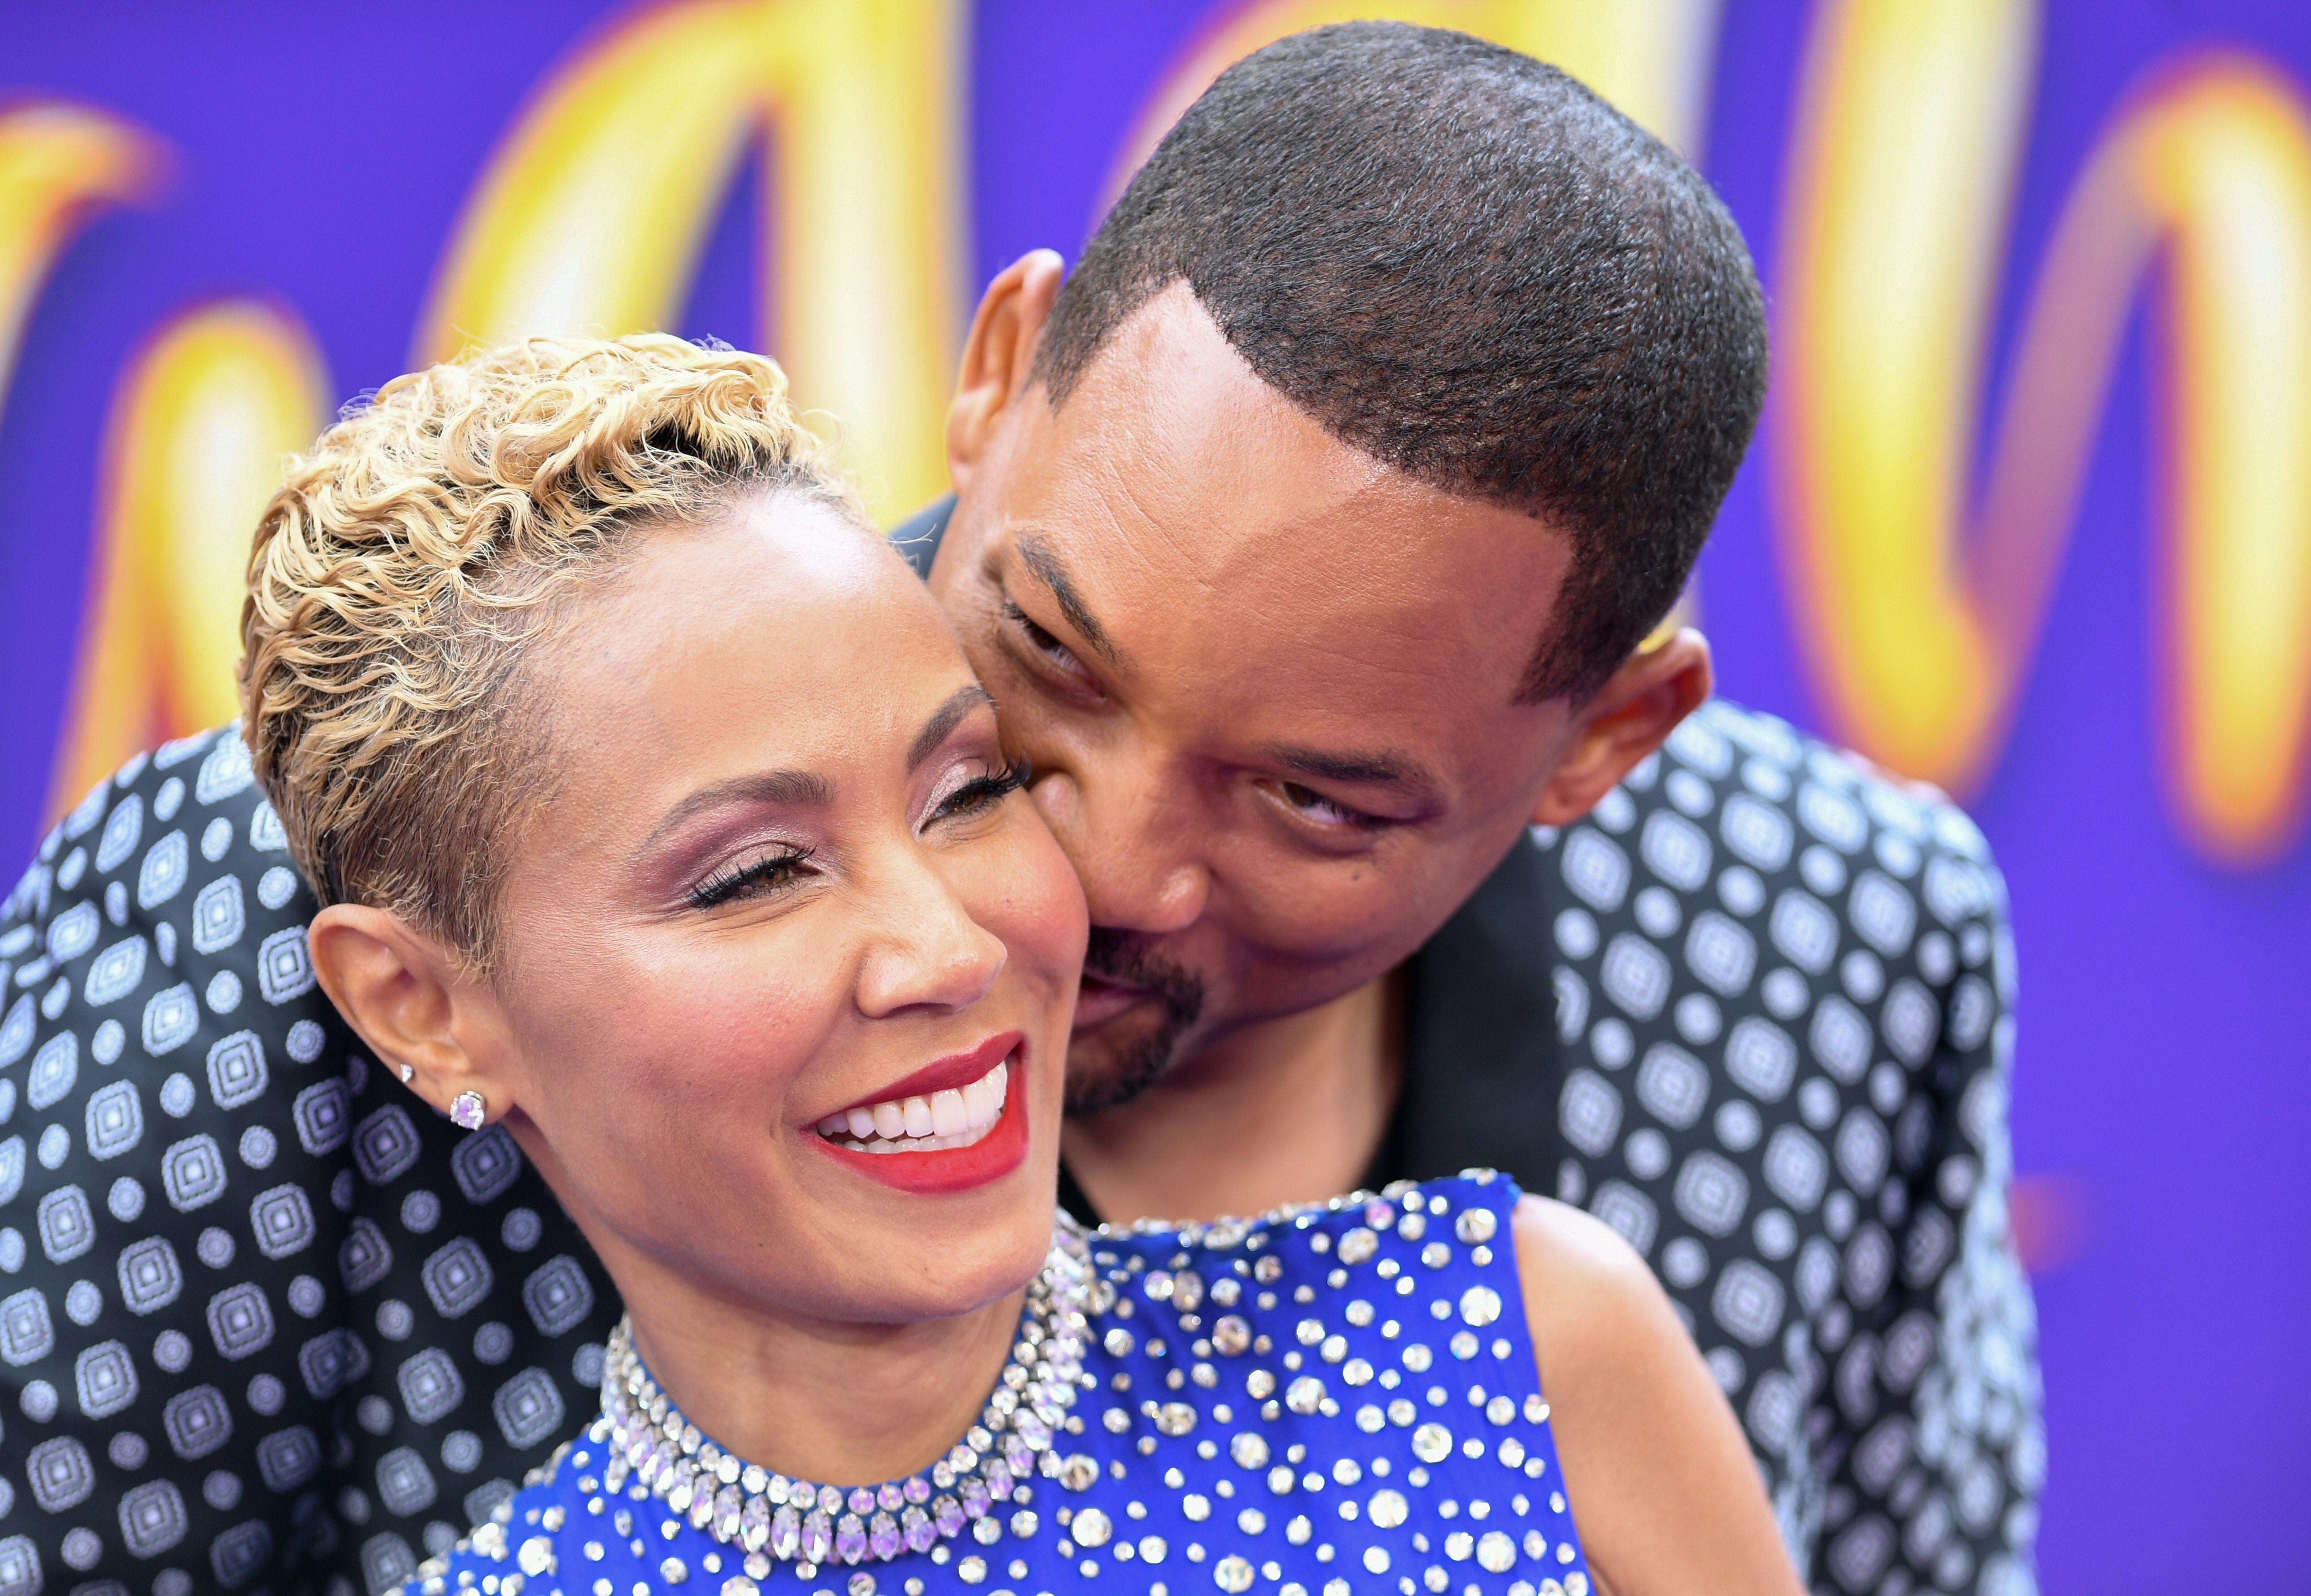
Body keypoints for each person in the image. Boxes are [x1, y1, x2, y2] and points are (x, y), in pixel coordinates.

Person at [0, 24, 2035, 1596]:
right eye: (1047, 663)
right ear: (1001, 361)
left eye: (1310, 798)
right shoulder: (290, 898)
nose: (1077, 872)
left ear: (1601, 741)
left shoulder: (1823, 955)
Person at [267, 329, 1796, 1596]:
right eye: (752, 875)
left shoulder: (1511, 1349)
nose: (944, 945)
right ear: (424, 1008)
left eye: (971, 792)